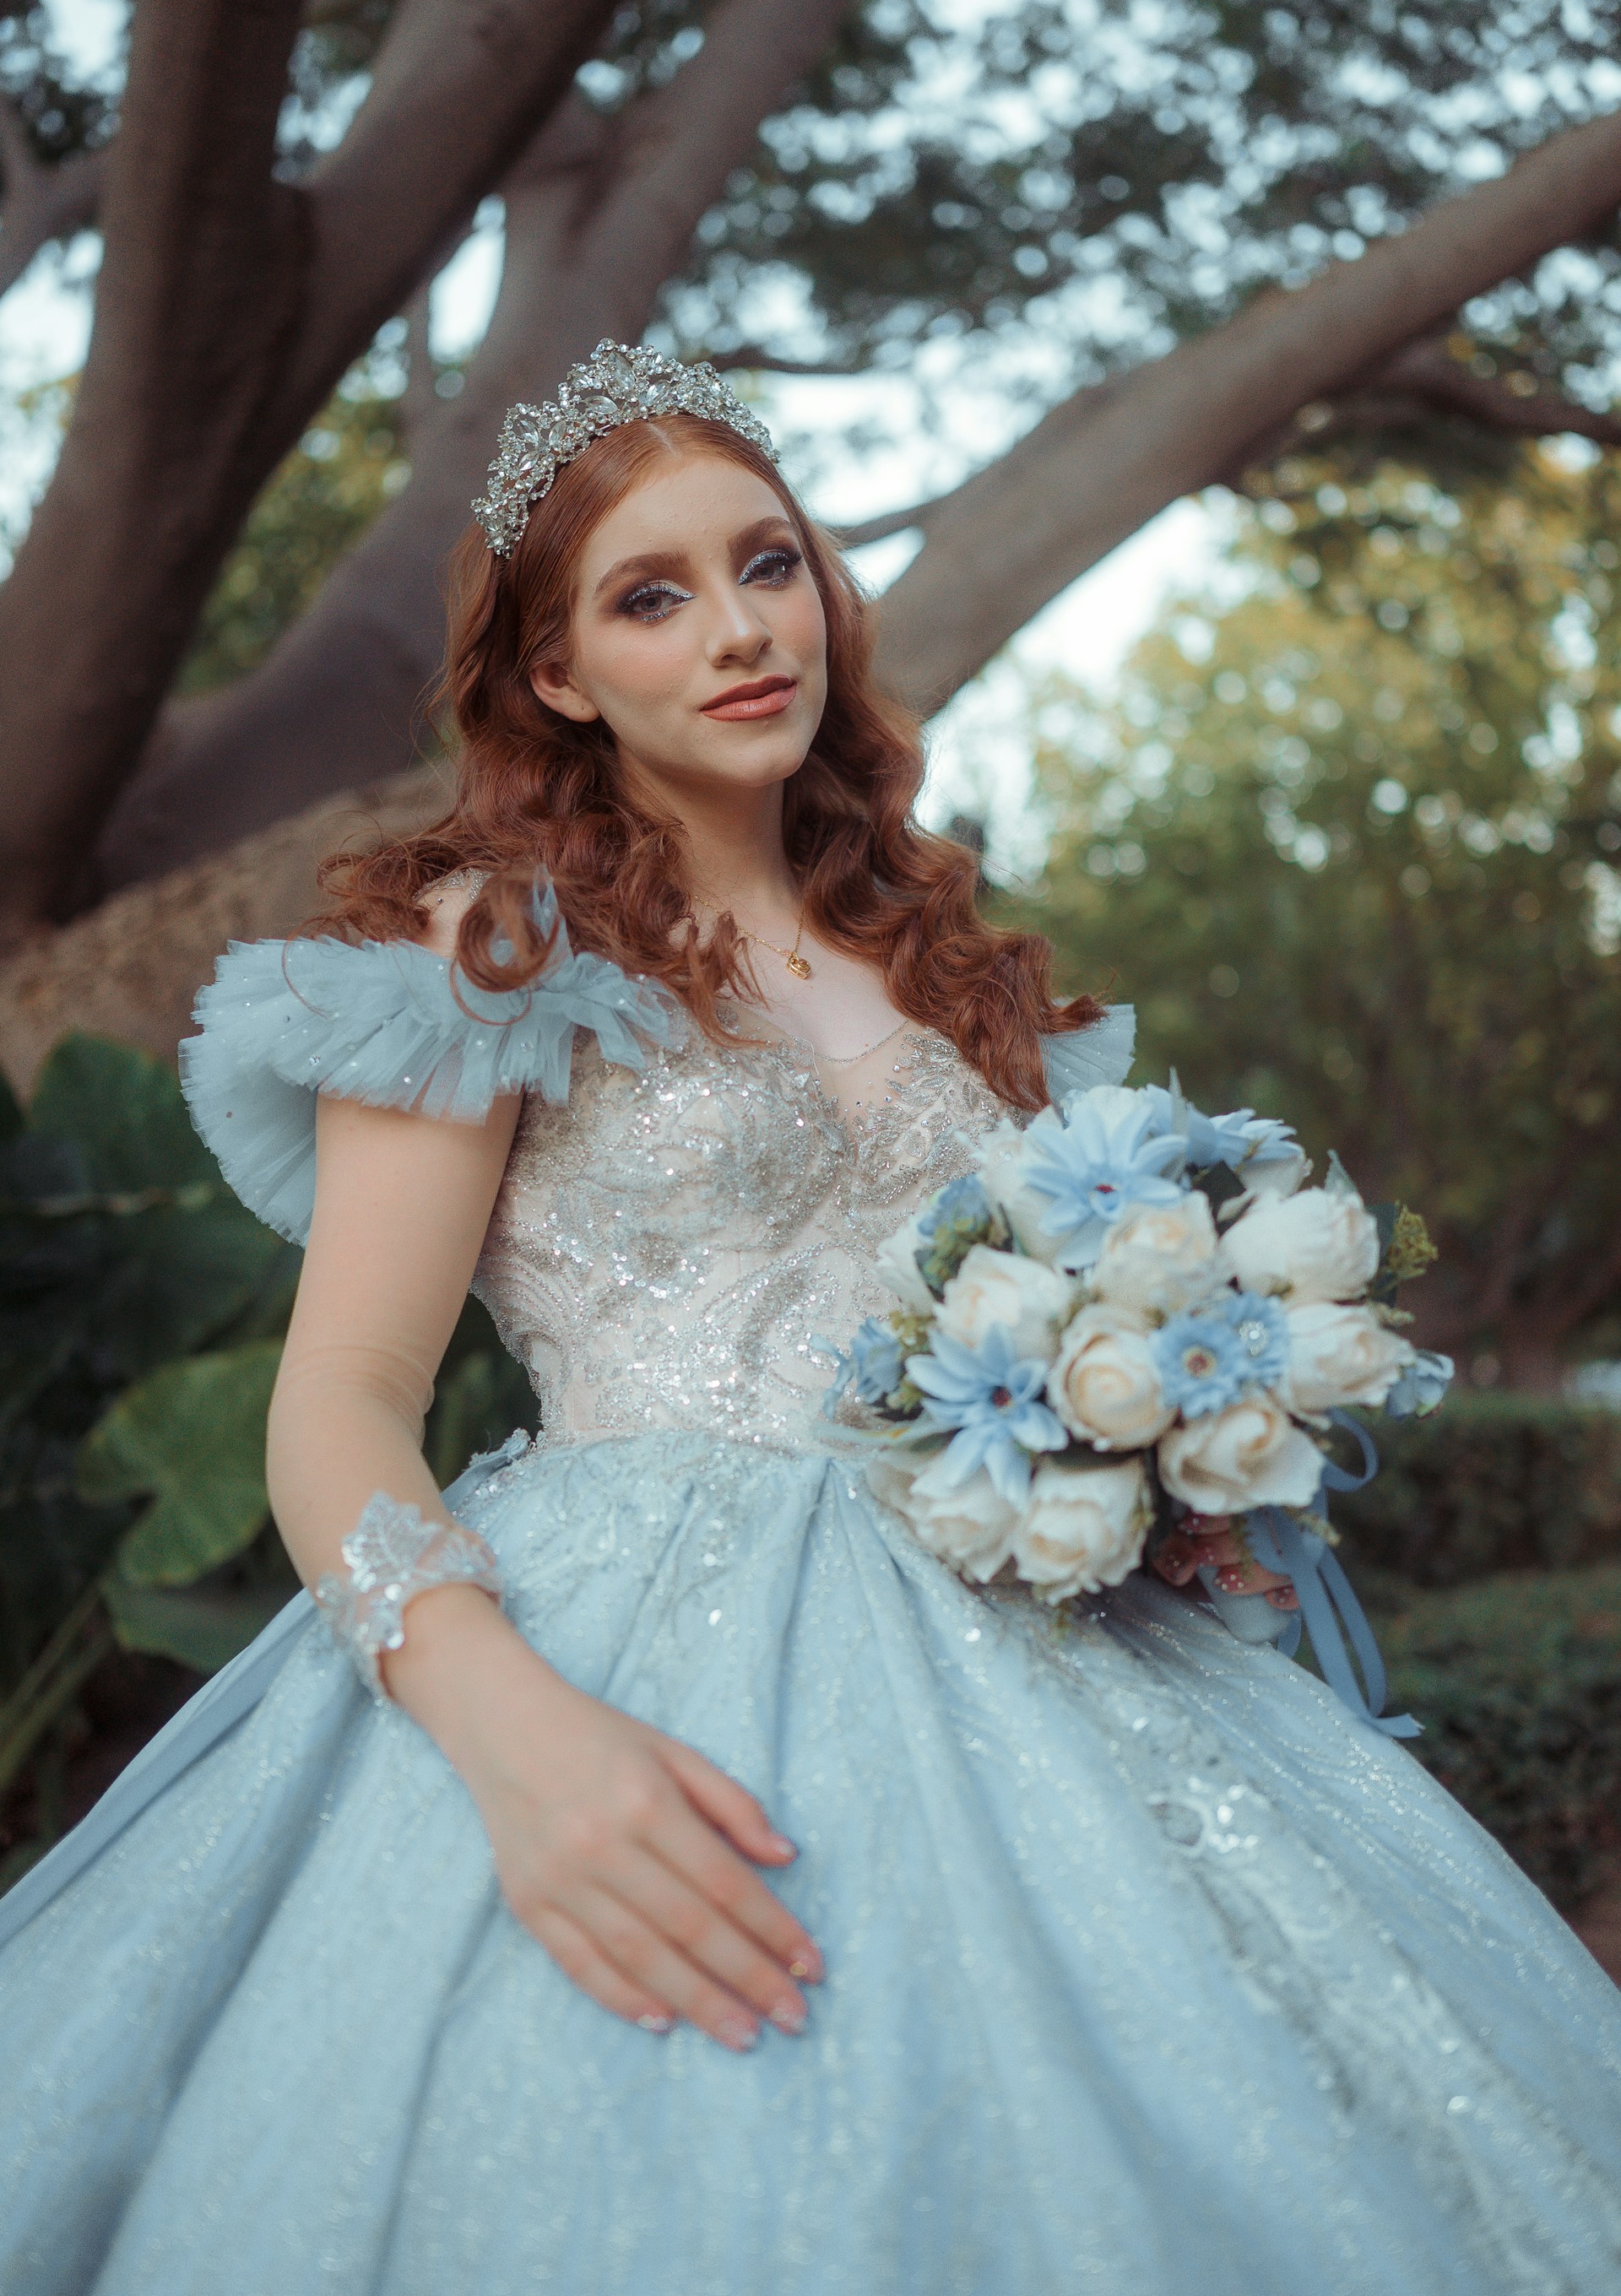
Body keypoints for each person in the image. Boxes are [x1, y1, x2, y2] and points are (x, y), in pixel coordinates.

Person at [1, 340, 1618, 2296]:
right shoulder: (489, 946)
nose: (742, 628)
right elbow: (339, 1396)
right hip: (614, 1640)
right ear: (556, 673)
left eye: (767, 563)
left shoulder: (954, 973)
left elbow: (1026, 1328)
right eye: (652, 595)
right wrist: (515, 1738)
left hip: (1044, 1654)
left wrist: (1158, 1481)